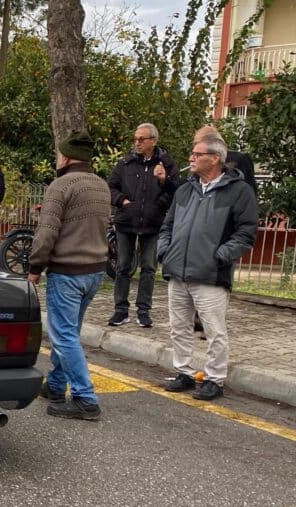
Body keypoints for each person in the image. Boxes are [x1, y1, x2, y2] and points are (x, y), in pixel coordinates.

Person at [157, 133, 258, 401]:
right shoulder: (185, 189)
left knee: (214, 330)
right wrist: (165, 251)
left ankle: (214, 379)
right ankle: (185, 372)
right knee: (179, 327)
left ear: (215, 158)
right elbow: (167, 226)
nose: (191, 158)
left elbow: (246, 232)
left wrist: (221, 255)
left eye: (197, 154)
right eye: (192, 153)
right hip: (177, 270)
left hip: (211, 274)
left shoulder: (238, 191)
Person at [27, 131, 111, 420]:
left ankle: (85, 398)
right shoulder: (102, 186)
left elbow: (47, 233)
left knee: (63, 336)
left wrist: (35, 268)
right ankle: (56, 384)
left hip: (67, 272)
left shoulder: (60, 186)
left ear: (64, 155)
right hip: (95, 271)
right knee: (70, 333)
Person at [107, 122, 180, 328]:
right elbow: (111, 186)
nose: (137, 143)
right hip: (126, 222)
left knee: (148, 268)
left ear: (153, 141)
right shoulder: (125, 163)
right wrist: (123, 201)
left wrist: (162, 191)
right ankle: (120, 310)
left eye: (142, 139)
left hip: (153, 223)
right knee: (122, 267)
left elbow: (176, 191)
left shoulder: (166, 164)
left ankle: (144, 311)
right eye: (135, 139)